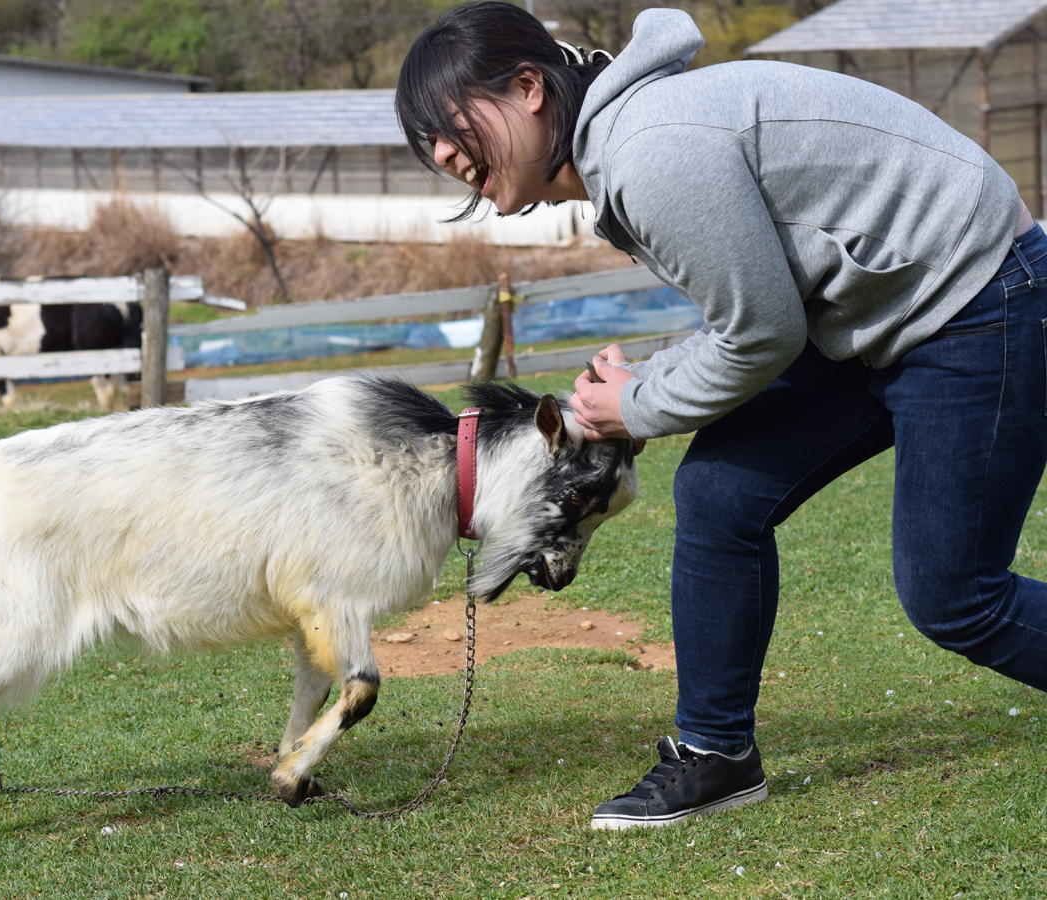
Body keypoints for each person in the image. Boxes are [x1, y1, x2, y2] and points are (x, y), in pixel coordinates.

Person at [395, 1, 1047, 830]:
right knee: (719, 496)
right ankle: (716, 755)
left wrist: (631, 402)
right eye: (429, 145)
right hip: (881, 311)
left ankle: (719, 750)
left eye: (452, 127)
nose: (444, 154)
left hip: (978, 299)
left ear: (528, 88)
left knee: (957, 597)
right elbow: (756, 303)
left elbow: (762, 335)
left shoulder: (651, 152)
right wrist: (650, 383)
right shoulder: (630, 143)